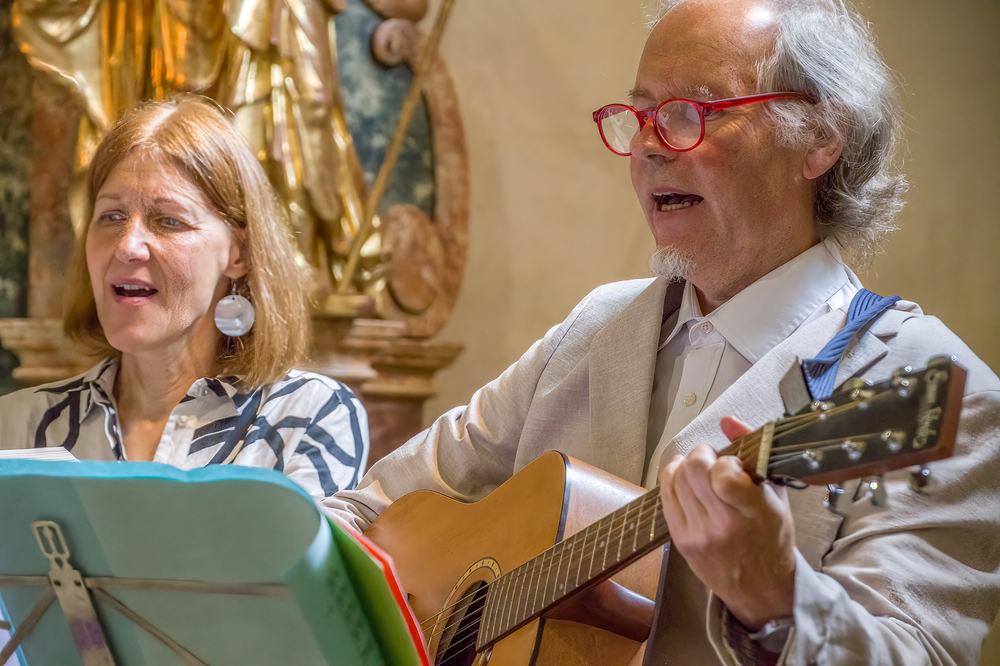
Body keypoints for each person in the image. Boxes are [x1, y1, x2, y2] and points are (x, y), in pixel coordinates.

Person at [326, 0, 1000, 664]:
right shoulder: (594, 328)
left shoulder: (936, 387)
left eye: (692, 112)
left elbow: (917, 652)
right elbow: (368, 512)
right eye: (641, 114)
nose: (648, 145)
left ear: (821, 137)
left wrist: (779, 602)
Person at [0, 97, 370, 503]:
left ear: (239, 254)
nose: (127, 246)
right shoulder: (17, 427)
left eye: (168, 220)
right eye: (112, 216)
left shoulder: (306, 416)